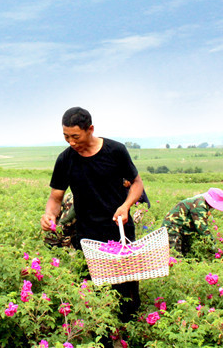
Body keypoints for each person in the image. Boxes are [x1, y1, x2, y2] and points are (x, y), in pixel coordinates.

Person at [40, 107, 144, 323]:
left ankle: (127, 332)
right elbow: (56, 198)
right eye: (66, 137)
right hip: (87, 237)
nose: (71, 142)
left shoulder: (115, 151)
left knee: (126, 294)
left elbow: (137, 184)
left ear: (90, 130)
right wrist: (49, 215)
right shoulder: (65, 160)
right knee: (93, 295)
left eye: (75, 136)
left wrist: (125, 206)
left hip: (120, 232)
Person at [161, 188, 223, 256]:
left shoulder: (202, 202)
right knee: (175, 256)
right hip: (172, 229)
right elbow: (202, 229)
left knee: (187, 254)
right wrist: (214, 245)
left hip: (183, 230)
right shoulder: (199, 205)